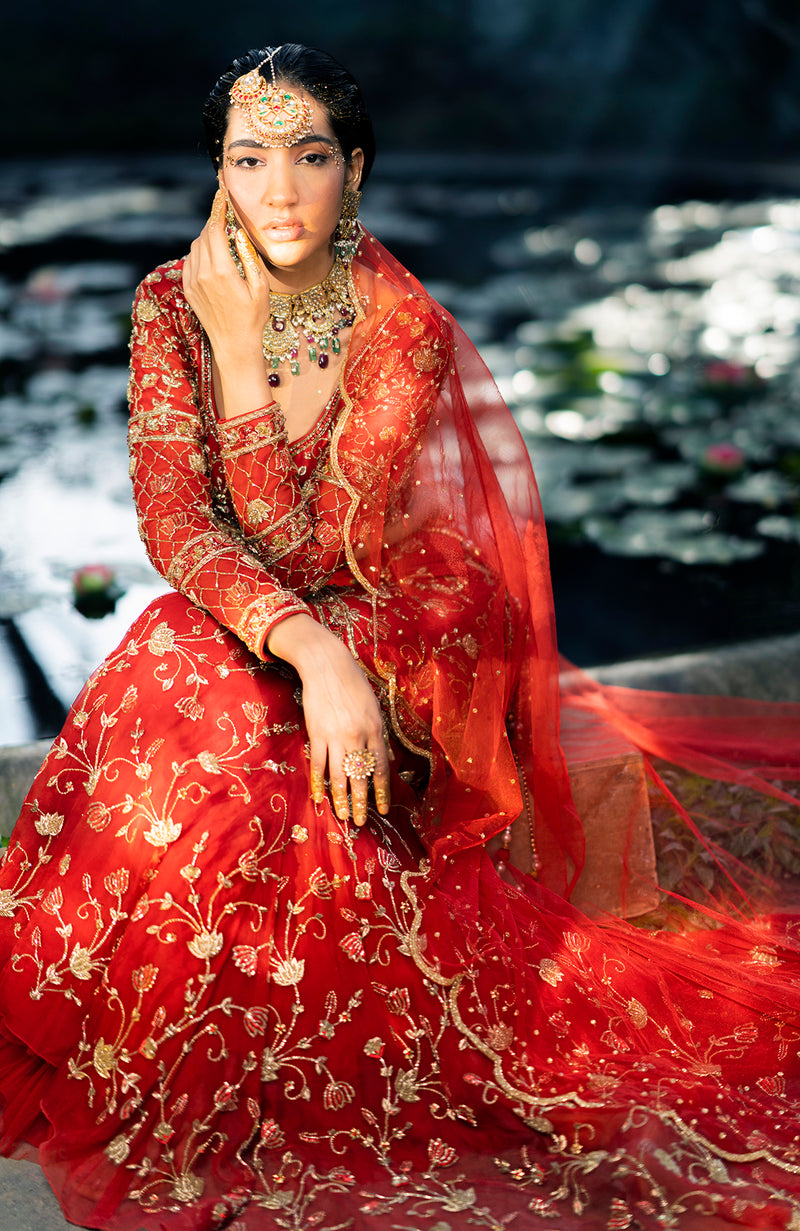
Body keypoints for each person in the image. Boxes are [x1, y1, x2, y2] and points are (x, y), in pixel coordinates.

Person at [1, 42, 800, 1231]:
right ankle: (150, 1020)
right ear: (218, 172)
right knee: (175, 673)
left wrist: (243, 375)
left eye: (309, 156)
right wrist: (307, 649)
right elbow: (179, 521)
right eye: (249, 158)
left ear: (354, 169)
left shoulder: (398, 325)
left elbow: (312, 542)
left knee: (247, 729)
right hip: (281, 612)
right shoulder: (172, 300)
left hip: (396, 608)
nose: (278, 190)